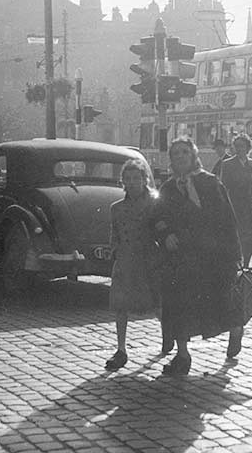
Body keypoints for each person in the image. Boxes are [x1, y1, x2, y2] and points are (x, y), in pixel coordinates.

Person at [152, 137, 242, 375]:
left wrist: (234, 254)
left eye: (184, 152)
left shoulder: (210, 183)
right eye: (175, 154)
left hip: (210, 257)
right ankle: (182, 356)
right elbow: (157, 219)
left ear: (193, 156)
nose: (180, 157)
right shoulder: (168, 188)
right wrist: (166, 235)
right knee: (177, 306)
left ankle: (235, 329)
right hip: (180, 258)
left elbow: (227, 220)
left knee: (220, 299)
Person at [104, 159, 159, 371]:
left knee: (157, 303)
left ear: (145, 179)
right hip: (126, 261)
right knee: (121, 305)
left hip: (148, 260)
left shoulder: (154, 203)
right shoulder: (116, 208)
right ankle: (121, 349)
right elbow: (114, 234)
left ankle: (167, 337)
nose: (132, 182)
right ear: (122, 182)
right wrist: (115, 249)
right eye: (127, 179)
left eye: (136, 178)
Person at [219, 133, 252, 266]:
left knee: (251, 236)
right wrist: (222, 207)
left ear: (248, 148)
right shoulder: (227, 164)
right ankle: (238, 263)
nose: (239, 149)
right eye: (237, 146)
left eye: (242, 146)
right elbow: (223, 187)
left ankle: (246, 264)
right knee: (237, 236)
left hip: (248, 206)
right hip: (234, 205)